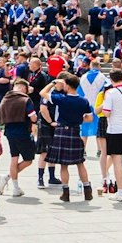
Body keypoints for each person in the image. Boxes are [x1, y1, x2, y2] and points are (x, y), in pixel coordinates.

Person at [44, 75, 93, 203]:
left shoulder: (61, 98)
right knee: (80, 163)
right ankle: (87, 190)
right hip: (76, 131)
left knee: (63, 165)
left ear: (67, 85)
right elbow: (90, 118)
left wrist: (54, 82)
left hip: (62, 131)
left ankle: (65, 193)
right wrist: (76, 120)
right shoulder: (84, 101)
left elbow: (42, 93)